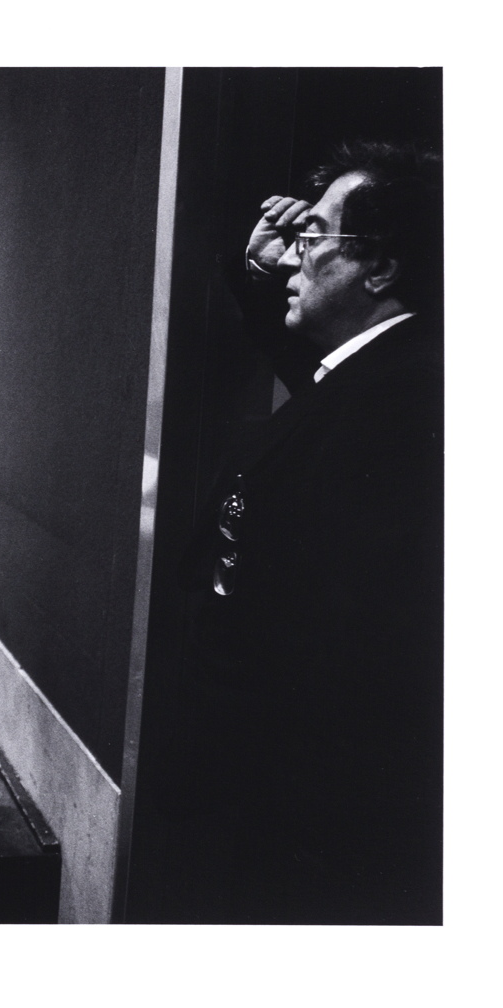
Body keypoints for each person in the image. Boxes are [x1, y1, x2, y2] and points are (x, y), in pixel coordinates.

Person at [182, 140, 443, 923]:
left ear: (381, 267)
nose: (295, 252)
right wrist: (268, 273)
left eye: (315, 236)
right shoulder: (376, 376)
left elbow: (356, 641)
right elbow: (323, 387)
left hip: (318, 816)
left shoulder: (413, 402)